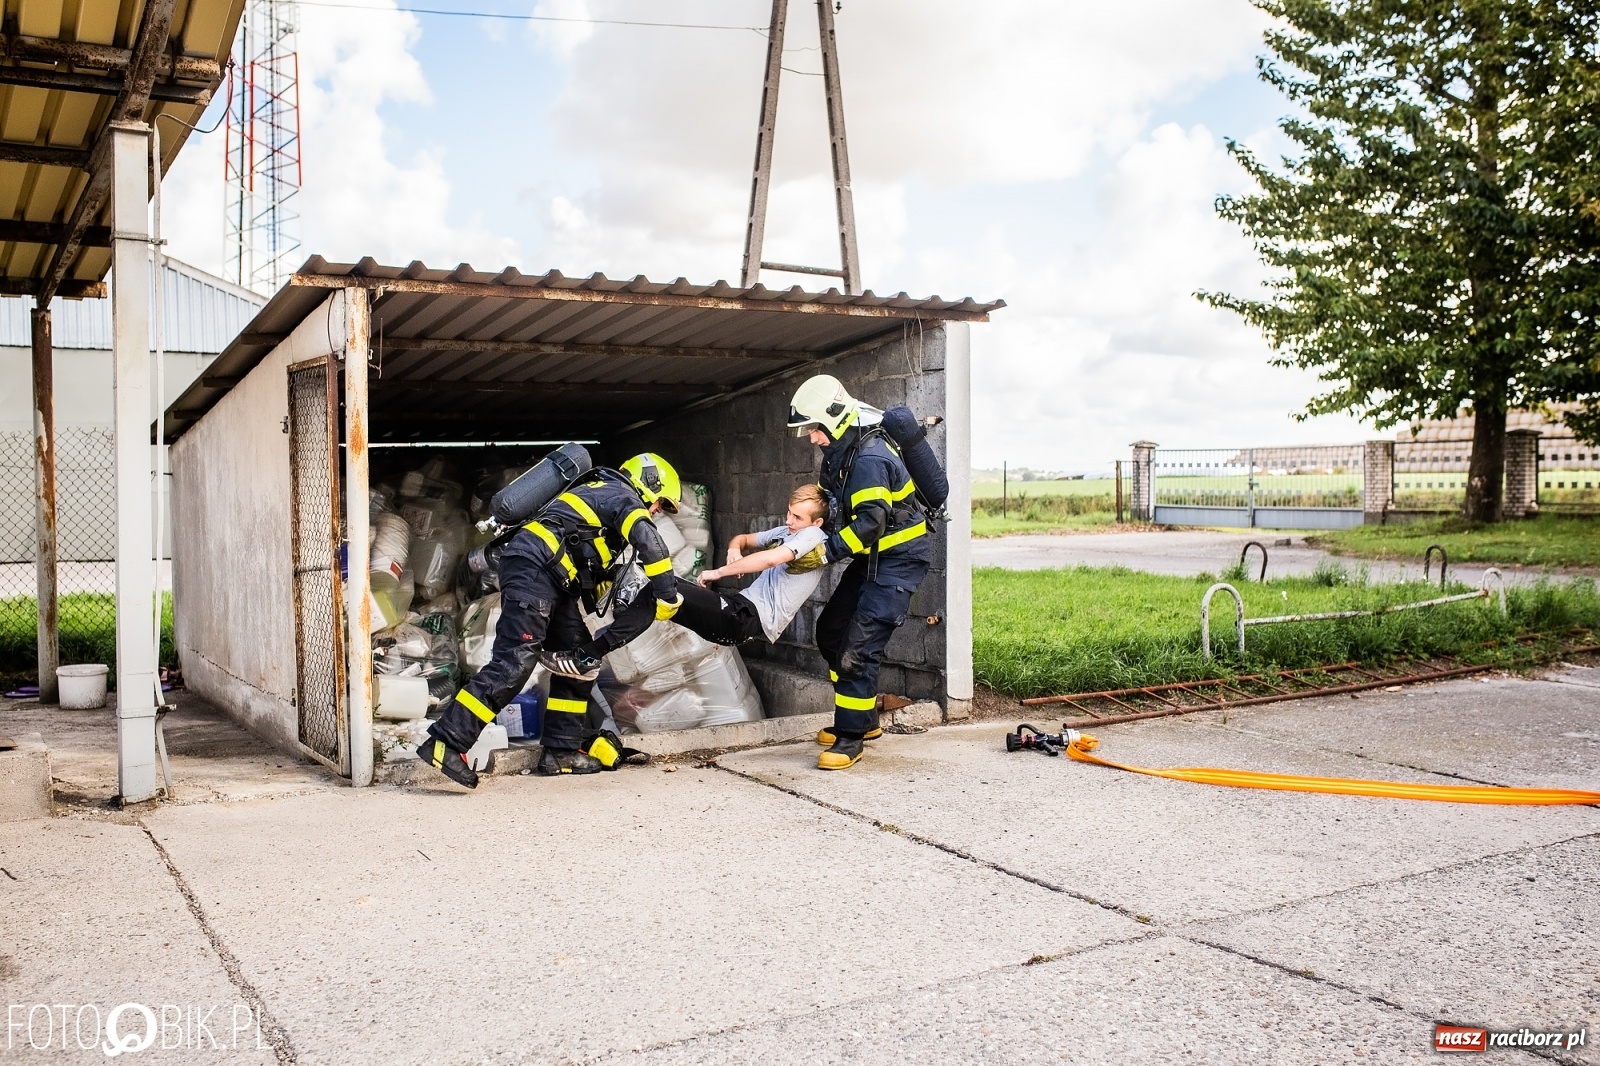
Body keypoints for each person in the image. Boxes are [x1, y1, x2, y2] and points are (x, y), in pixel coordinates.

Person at [417, 453, 685, 787]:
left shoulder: (602, 496)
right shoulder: (621, 496)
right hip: (534, 570)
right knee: (515, 661)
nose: (657, 511)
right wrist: (667, 593)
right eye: (660, 503)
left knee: (579, 661)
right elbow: (650, 543)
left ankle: (560, 750)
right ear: (648, 485)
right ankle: (446, 742)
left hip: (554, 580)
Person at [788, 374, 931, 771]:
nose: (812, 438)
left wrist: (822, 554)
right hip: (872, 560)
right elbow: (836, 509)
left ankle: (850, 736)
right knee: (831, 631)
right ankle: (862, 720)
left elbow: (870, 523)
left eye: (814, 429)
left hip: (898, 561)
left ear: (833, 420)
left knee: (858, 648)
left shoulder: (869, 459)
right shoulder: (839, 454)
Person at [547, 484, 830, 661]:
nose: (788, 521)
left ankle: (590, 655)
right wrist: (735, 549)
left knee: (664, 587)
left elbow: (770, 560)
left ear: (815, 521)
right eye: (789, 513)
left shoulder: (814, 536)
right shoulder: (787, 531)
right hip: (739, 612)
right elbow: (742, 538)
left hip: (745, 619)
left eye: (797, 518)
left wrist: (719, 572)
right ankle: (599, 620)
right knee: (660, 590)